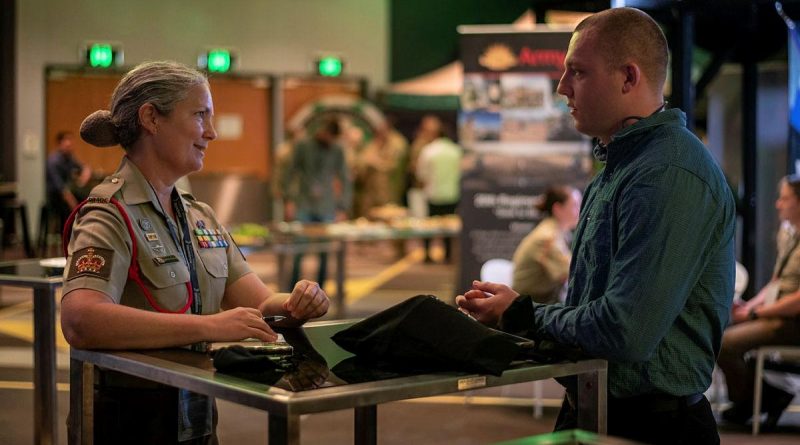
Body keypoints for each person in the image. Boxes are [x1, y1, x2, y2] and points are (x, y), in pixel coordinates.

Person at [456, 8, 735, 445]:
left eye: (578, 72)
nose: (562, 87)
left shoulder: (666, 173)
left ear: (628, 78)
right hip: (598, 409)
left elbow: (626, 332)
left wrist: (521, 314)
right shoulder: (621, 168)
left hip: (651, 427)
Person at [60, 61, 330, 444]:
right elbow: (80, 320)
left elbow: (261, 302)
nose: (212, 132)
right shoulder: (109, 213)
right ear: (152, 118)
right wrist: (208, 326)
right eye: (200, 115)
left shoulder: (199, 215)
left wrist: (301, 301)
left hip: (197, 412)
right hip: (130, 418)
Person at [717, 175, 800, 430]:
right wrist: (749, 306)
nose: (778, 204)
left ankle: (753, 400)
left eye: (785, 197)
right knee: (722, 330)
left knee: (725, 343)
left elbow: (797, 301)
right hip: (778, 314)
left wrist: (756, 314)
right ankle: (764, 397)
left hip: (793, 321)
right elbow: (776, 283)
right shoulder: (789, 235)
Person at [282, 117, 352, 287]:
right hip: (304, 203)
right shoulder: (303, 146)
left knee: (325, 251)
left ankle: (320, 288)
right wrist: (288, 200)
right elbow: (290, 173)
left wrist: (342, 207)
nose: (330, 140)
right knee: (299, 249)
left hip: (326, 206)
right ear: (322, 131)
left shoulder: (337, 150)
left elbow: (344, 178)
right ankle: (292, 288)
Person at [512, 186, 581, 304]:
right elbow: (572, 275)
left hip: (540, 302)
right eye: (575, 205)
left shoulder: (556, 232)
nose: (580, 210)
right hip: (530, 307)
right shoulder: (548, 238)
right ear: (558, 209)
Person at [415, 126, 462, 263]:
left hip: (433, 193)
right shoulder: (456, 151)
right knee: (449, 226)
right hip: (452, 194)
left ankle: (427, 254)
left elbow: (421, 173)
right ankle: (447, 255)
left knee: (430, 225)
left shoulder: (429, 151)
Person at [45, 131, 92, 225]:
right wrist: (75, 206)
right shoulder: (53, 161)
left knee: (87, 198)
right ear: (60, 144)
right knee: (71, 207)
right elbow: (61, 189)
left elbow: (84, 167)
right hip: (56, 197)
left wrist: (85, 175)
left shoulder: (69, 158)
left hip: (67, 194)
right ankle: (67, 235)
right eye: (67, 143)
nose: (70, 145)